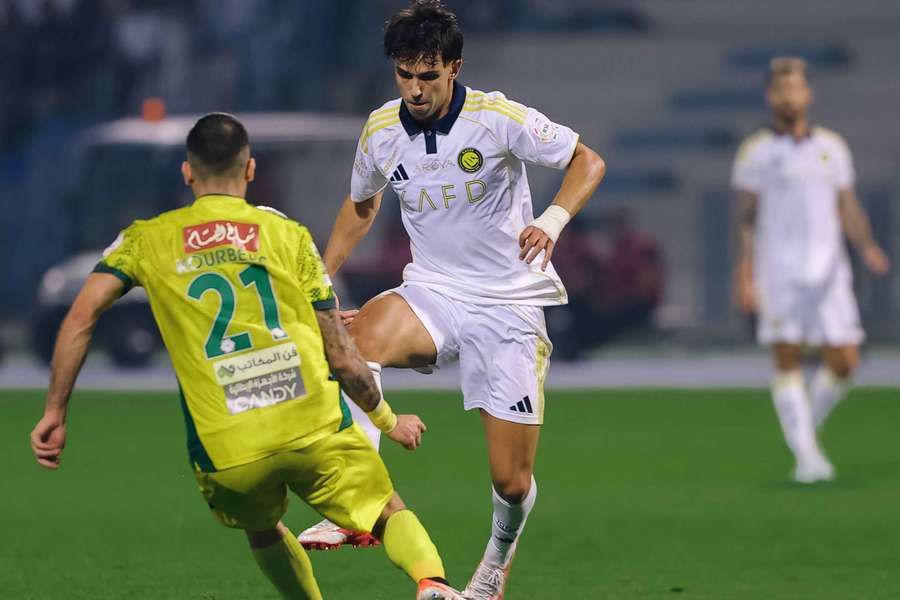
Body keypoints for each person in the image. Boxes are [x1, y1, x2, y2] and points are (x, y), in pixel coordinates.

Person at [29, 113, 466, 600]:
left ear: (188, 173)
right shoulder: (286, 234)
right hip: (310, 422)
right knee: (386, 511)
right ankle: (433, 583)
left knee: (262, 528)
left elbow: (80, 317)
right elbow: (342, 355)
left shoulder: (145, 239)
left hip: (229, 444)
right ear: (251, 170)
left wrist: (55, 412)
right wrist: (388, 421)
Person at [297, 2, 606, 598]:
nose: (414, 89)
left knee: (511, 482)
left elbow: (587, 161)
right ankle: (353, 507)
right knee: (355, 345)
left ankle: (494, 564)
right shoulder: (381, 129)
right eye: (404, 75)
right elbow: (361, 207)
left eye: (427, 76)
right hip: (433, 290)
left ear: (454, 67)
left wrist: (553, 219)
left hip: (508, 304)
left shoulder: (496, 117)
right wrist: (320, 284)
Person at [732, 57, 889, 483]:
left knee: (845, 361)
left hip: (830, 270)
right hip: (779, 270)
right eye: (782, 90)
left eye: (796, 88)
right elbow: (746, 218)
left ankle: (804, 431)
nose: (789, 97)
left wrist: (868, 246)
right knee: (788, 360)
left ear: (808, 94)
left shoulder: (832, 148)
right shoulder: (756, 152)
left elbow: (847, 204)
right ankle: (807, 457)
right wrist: (745, 273)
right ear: (770, 97)